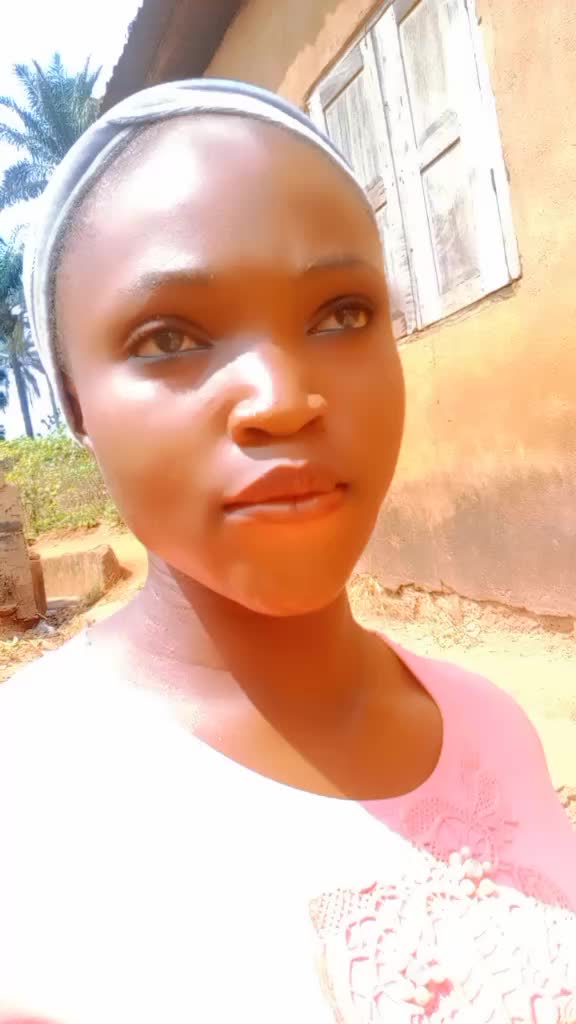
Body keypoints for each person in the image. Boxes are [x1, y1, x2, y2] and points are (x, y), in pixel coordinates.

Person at [0, 80, 574, 1024]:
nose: (279, 398)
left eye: (341, 314)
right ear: (75, 404)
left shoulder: (493, 727)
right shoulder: (25, 801)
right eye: (168, 337)